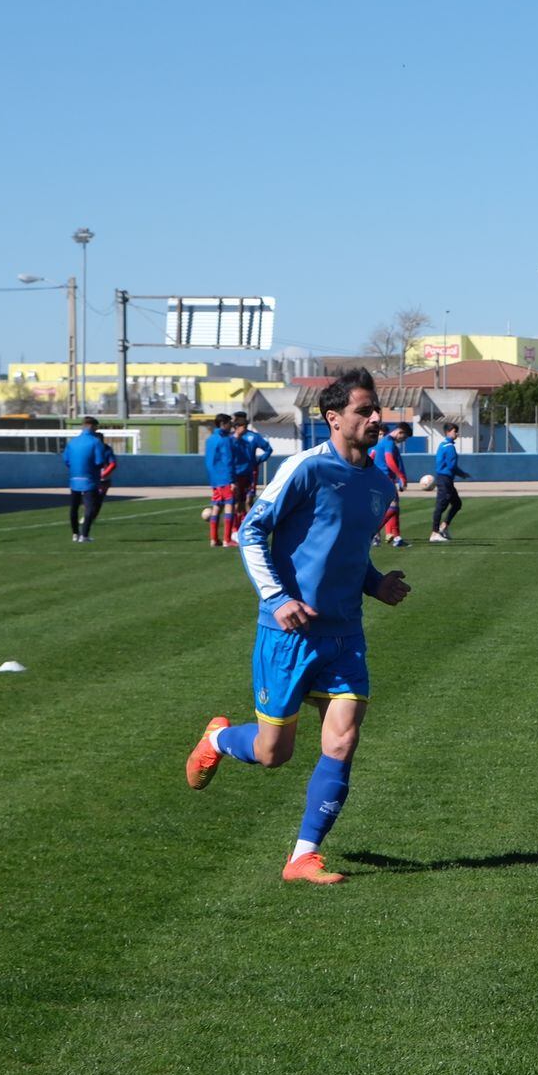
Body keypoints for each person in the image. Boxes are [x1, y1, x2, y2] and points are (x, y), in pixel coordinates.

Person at [182, 368, 413, 885]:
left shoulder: (379, 483)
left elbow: (347, 554)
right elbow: (251, 532)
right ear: (334, 418)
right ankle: (218, 740)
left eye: (377, 410)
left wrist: (375, 584)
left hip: (344, 634)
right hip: (288, 634)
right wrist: (277, 598)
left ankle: (302, 856)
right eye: (363, 411)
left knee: (343, 740)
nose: (376, 418)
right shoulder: (305, 468)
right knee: (273, 754)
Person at [62, 417, 117, 543]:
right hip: (90, 478)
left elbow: (66, 459)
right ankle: (84, 535)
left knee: (74, 507)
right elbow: (98, 462)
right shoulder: (95, 442)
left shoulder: (72, 442)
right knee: (90, 507)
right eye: (96, 427)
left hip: (74, 478)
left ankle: (75, 534)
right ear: (92, 426)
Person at [228, 412, 273, 543]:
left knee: (248, 500)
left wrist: (259, 460)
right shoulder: (232, 438)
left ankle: (248, 526)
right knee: (237, 502)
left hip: (250, 473)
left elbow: (268, 449)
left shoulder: (253, 437)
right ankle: (236, 529)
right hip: (237, 473)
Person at [430, 421, 471, 542]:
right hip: (445, 479)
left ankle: (444, 527)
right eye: (455, 431)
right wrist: (462, 474)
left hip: (445, 479)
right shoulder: (449, 447)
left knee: (457, 503)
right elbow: (452, 466)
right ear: (448, 432)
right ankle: (434, 533)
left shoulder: (443, 444)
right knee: (441, 505)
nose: (457, 433)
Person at [371, 422, 410, 547]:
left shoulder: (384, 442)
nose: (402, 440)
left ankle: (397, 538)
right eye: (403, 438)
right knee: (392, 508)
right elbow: (389, 460)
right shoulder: (388, 442)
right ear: (400, 432)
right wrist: (401, 476)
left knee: (395, 508)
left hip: (381, 479)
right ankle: (372, 532)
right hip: (385, 479)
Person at [203, 414, 238, 547]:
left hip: (214, 478)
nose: (231, 426)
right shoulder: (225, 440)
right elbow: (228, 460)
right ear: (223, 424)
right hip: (225, 478)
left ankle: (213, 539)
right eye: (229, 423)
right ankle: (227, 540)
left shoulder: (210, 439)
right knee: (229, 505)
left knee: (217, 506)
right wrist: (232, 480)